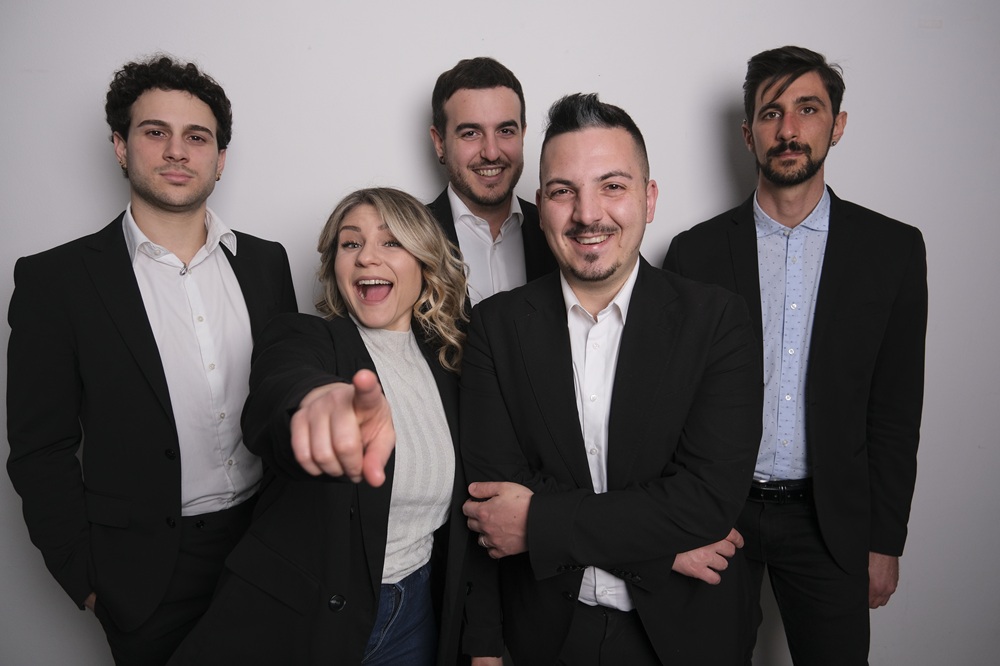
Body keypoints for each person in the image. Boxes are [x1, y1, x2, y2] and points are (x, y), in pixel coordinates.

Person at [5, 55, 297, 664]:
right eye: (155, 131)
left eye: (197, 137)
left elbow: (285, 399)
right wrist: (86, 579)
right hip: (146, 576)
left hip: (269, 547)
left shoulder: (266, 264)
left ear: (220, 158)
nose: (176, 151)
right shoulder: (56, 282)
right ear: (120, 146)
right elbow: (40, 448)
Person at [460, 93, 763, 665]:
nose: (588, 214)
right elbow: (495, 503)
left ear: (649, 198)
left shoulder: (717, 320)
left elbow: (705, 503)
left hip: (688, 634)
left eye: (613, 186)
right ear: (541, 206)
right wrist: (659, 549)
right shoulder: (494, 327)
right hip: (548, 634)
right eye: (562, 191)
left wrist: (538, 521)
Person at [663, 45, 928, 664]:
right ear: (747, 133)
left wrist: (885, 539)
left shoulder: (891, 252)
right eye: (771, 113)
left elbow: (895, 410)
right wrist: (673, 525)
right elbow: (670, 406)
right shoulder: (694, 253)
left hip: (830, 522)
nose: (788, 129)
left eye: (807, 109)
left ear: (837, 124)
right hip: (717, 515)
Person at [169, 188, 502, 665]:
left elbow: (475, 510)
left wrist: (482, 641)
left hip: (415, 617)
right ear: (335, 265)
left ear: (424, 261)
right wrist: (318, 404)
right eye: (351, 243)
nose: (367, 256)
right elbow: (280, 387)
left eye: (391, 242)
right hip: (300, 623)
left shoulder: (452, 364)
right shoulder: (306, 337)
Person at [428, 56, 556, 305]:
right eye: (471, 133)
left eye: (505, 131)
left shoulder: (557, 233)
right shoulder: (407, 240)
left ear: (522, 135)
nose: (491, 152)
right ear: (440, 142)